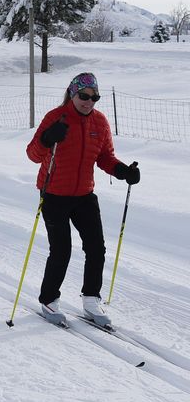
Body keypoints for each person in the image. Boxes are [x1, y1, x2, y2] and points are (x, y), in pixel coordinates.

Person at [27, 72, 140, 327]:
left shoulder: (100, 122)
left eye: (94, 97)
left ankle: (91, 299)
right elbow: (33, 154)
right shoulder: (55, 118)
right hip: (54, 193)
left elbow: (105, 157)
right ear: (72, 92)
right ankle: (49, 299)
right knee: (62, 250)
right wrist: (47, 139)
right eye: (84, 96)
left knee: (96, 248)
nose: (88, 101)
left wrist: (123, 171)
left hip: (84, 194)